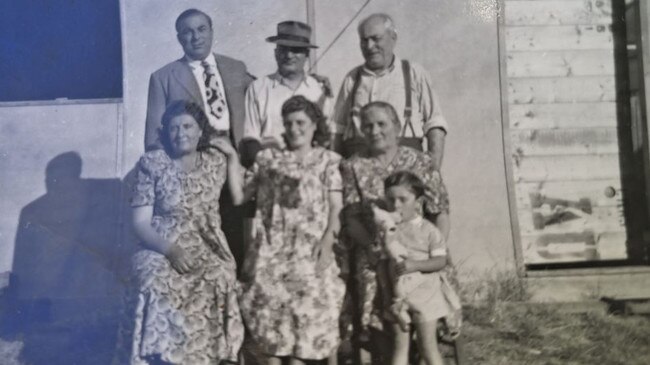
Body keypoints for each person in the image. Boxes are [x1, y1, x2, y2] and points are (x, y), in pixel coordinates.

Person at [213, 96, 345, 365]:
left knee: (303, 337)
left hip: (310, 252)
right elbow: (239, 197)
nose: (295, 128)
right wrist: (231, 157)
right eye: (289, 123)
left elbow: (336, 209)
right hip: (271, 254)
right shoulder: (268, 159)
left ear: (314, 125)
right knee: (272, 336)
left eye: (301, 123)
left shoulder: (328, 161)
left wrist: (328, 242)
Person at [119, 101, 244, 365]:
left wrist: (233, 157)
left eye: (188, 126)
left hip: (206, 241)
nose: (181, 133)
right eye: (174, 128)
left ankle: (214, 357)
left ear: (201, 131)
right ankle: (158, 358)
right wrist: (171, 251)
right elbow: (140, 223)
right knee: (152, 279)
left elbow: (238, 197)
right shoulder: (151, 163)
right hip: (161, 242)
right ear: (165, 133)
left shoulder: (215, 162)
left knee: (218, 276)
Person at [339, 101, 450, 364]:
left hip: (421, 247)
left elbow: (441, 210)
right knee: (371, 281)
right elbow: (351, 218)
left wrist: (438, 248)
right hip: (374, 250)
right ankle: (385, 353)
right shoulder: (353, 166)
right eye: (368, 125)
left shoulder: (420, 161)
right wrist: (372, 248)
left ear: (397, 127)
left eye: (381, 124)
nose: (374, 130)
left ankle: (425, 345)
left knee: (432, 276)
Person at [143, 8, 255, 268]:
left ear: (212, 32)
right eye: (188, 32)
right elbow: (153, 139)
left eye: (201, 29)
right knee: (203, 238)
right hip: (194, 169)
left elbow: (263, 93)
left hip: (233, 163)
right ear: (179, 38)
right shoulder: (164, 78)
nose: (196, 37)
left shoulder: (235, 68)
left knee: (236, 232)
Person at [332, 13, 448, 170]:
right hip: (360, 168)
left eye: (376, 39)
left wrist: (433, 170)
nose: (369, 46)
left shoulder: (414, 73)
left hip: (406, 169)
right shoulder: (352, 78)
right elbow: (337, 130)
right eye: (364, 40)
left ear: (393, 38)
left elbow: (435, 124)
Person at [373, 171, 461, 365]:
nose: (396, 205)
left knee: (427, 346)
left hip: (426, 296)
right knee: (399, 345)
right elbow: (382, 262)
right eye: (390, 199)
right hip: (398, 298)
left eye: (403, 199)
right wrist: (387, 293)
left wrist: (415, 265)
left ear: (418, 202)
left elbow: (440, 261)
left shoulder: (429, 230)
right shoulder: (388, 230)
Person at [240, 20, 333, 167]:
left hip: (311, 168)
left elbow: (327, 137)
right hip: (269, 166)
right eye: (283, 49)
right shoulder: (258, 88)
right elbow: (250, 138)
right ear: (276, 53)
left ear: (306, 54)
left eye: (296, 50)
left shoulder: (319, 90)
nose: (289, 55)